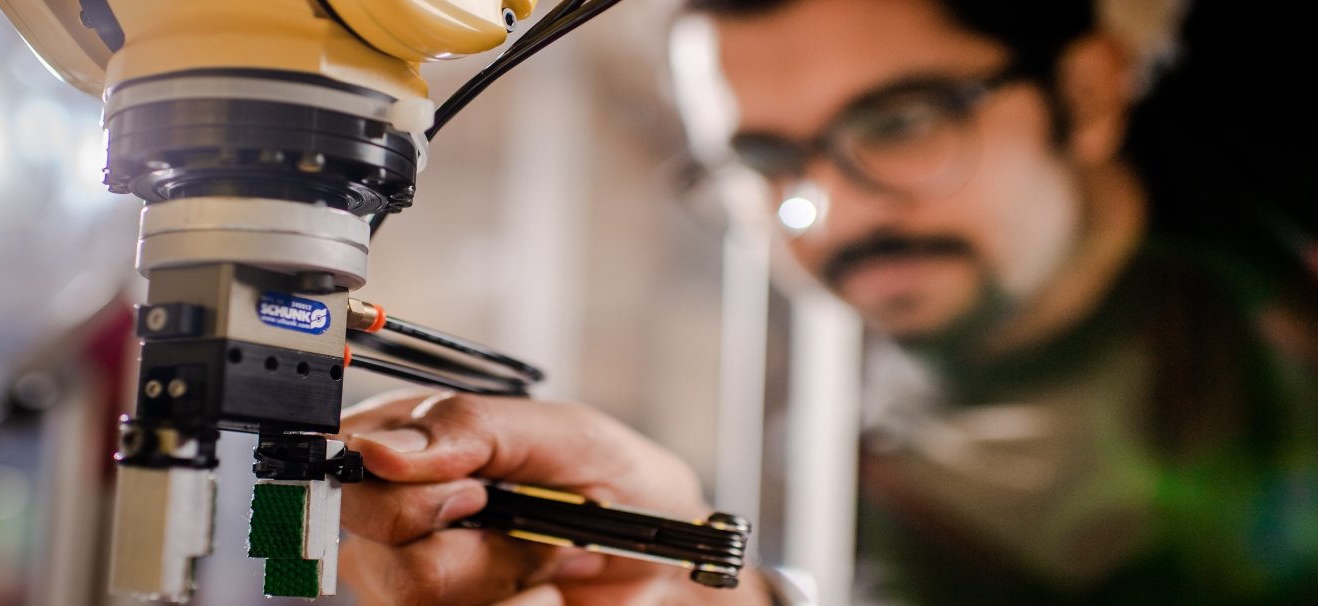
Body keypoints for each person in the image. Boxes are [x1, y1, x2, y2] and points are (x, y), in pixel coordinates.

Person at [335, 0, 1318, 604]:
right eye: (763, 161)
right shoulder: (852, 466)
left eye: (898, 123)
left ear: (1088, 88)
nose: (827, 210)